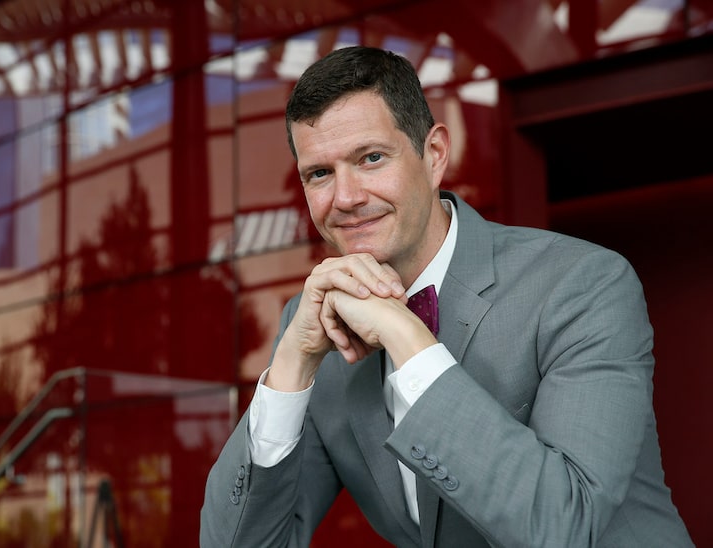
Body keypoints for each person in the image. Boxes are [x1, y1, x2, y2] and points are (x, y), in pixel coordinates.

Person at [200, 46, 693, 547]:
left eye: (371, 158)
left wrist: (403, 334)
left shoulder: (581, 283)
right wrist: (290, 368)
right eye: (319, 174)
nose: (345, 198)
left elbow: (562, 526)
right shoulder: (316, 325)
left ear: (434, 155)